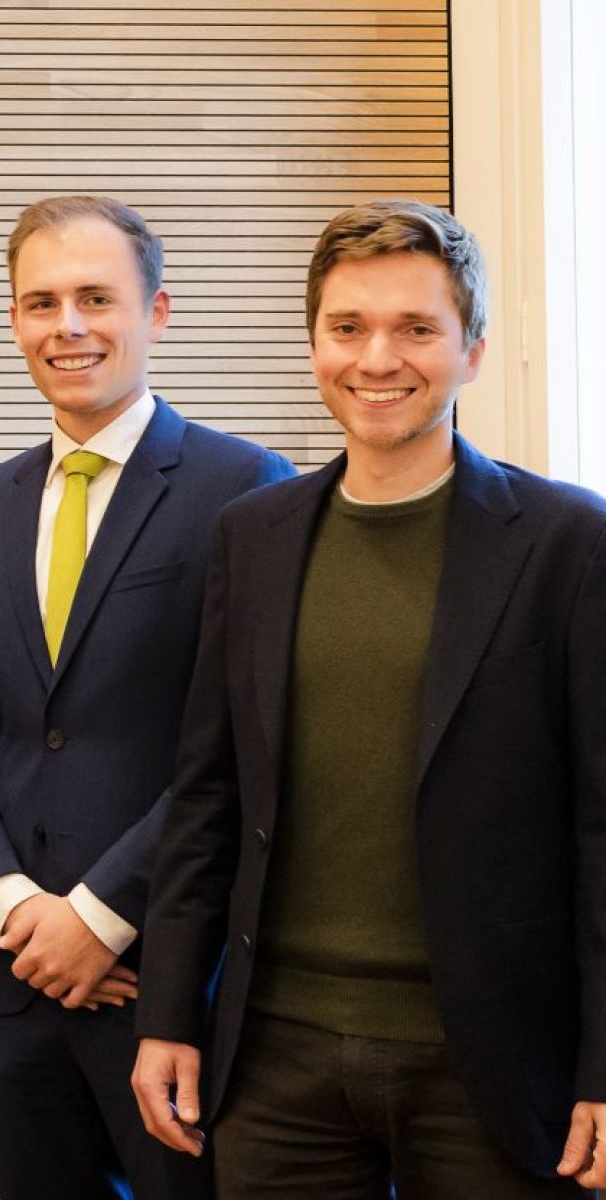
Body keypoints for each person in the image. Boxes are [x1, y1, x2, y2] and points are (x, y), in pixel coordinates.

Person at [133, 199, 606, 1197]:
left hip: (490, 1062)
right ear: (314, 342)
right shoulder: (251, 537)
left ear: (472, 351)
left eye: (417, 329)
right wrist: (169, 1014)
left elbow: (603, 826)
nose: (376, 358)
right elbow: (206, 799)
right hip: (274, 1055)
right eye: (347, 327)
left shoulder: (568, 543)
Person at [0, 195, 290, 1198]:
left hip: (166, 986)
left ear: (157, 312)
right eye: (41, 303)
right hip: (15, 978)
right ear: (13, 322)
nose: (68, 326)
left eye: (96, 298)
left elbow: (247, 746)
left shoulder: (246, 488)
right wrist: (14, 910)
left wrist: (98, 915)